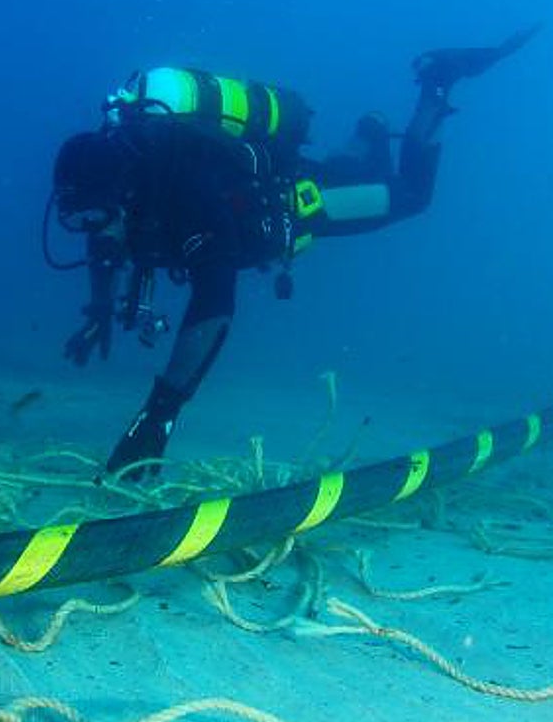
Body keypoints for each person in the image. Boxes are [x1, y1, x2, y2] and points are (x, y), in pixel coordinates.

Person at [46, 26, 540, 481]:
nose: (96, 230)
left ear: (122, 187)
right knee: (336, 173)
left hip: (298, 205)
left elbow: (215, 304)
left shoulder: (186, 193)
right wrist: (98, 309)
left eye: (97, 214)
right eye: (83, 219)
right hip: (268, 187)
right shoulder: (126, 188)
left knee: (409, 195)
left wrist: (160, 414)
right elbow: (106, 240)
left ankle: (438, 82)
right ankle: (367, 136)